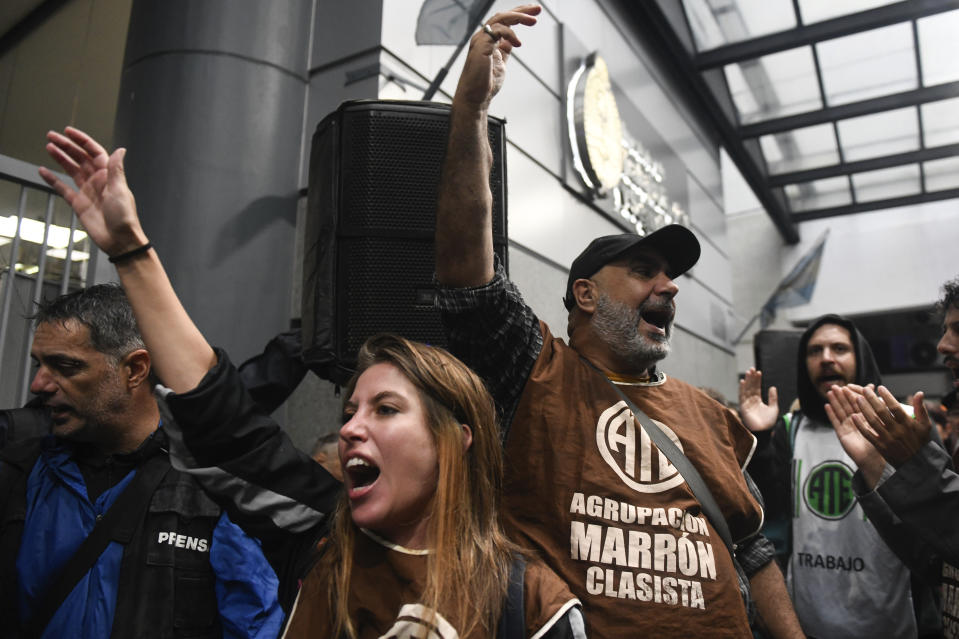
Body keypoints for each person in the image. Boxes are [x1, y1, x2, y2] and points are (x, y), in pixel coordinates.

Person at [37, 126, 585, 638]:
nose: (350, 429)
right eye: (350, 411)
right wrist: (132, 253)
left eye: (386, 409)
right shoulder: (321, 537)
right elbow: (220, 417)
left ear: (456, 440)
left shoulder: (531, 603)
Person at [434, 5, 801, 637]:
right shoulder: (535, 371)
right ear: (583, 294)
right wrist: (467, 113)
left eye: (671, 275)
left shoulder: (709, 415)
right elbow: (471, 273)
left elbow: (752, 547)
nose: (669, 286)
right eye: (645, 270)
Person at [0, 284, 284, 639]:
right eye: (39, 364)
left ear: (135, 369)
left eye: (66, 367)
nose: (39, 384)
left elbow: (254, 626)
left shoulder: (212, 484)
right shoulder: (21, 470)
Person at [741, 314, 937, 638]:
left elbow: (937, 524)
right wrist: (760, 438)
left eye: (839, 348)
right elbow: (767, 513)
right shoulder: (792, 428)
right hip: (810, 622)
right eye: (815, 351)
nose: (826, 359)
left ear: (860, 356)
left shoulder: (905, 424)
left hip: (894, 621)